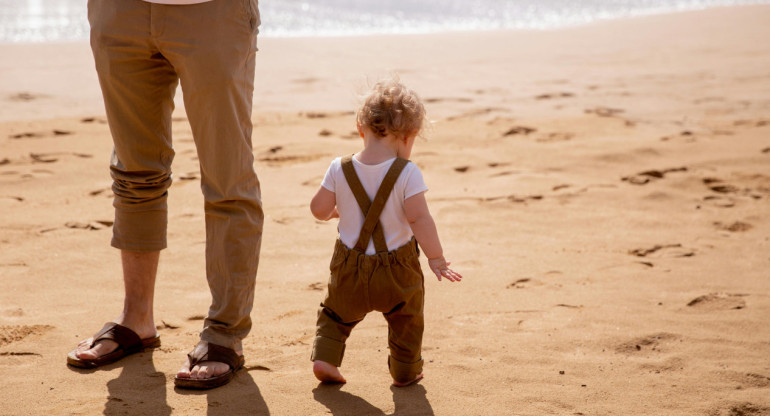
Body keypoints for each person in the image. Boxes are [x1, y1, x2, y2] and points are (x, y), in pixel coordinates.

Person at [66, 0, 263, 390]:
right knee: (133, 173)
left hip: (213, 12)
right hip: (120, 11)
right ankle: (136, 320)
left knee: (228, 181)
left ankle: (225, 335)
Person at [309, 77, 463, 387]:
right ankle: (405, 370)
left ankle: (325, 358)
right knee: (407, 319)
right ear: (408, 137)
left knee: (335, 315)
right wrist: (437, 258)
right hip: (398, 272)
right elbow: (419, 219)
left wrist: (336, 212)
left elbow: (318, 209)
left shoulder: (339, 167)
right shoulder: (407, 172)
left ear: (360, 128)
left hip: (348, 270)